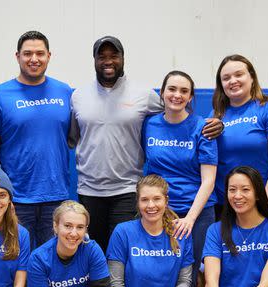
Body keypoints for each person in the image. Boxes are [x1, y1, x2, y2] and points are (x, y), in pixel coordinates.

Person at [69, 36, 223, 252]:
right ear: (93, 60)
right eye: (101, 56)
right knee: (93, 258)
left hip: (127, 190)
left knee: (123, 257)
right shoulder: (77, 96)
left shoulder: (143, 95)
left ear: (123, 58)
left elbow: (174, 111)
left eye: (114, 55)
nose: (108, 61)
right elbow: (72, 138)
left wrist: (217, 125)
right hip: (89, 190)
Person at [0, 30, 72, 250]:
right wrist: (1, 194)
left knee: (52, 263)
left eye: (40, 53)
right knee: (16, 262)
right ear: (17, 56)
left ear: (49, 56)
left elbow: (71, 137)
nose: (34, 59)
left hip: (55, 196)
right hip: (17, 199)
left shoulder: (64, 92)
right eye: (27, 53)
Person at [142, 70, 218, 287]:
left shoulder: (203, 127)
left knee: (191, 271)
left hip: (196, 211)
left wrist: (190, 220)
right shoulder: (149, 124)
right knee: (162, 267)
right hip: (160, 209)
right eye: (172, 89)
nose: (177, 95)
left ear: (191, 96)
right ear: (162, 93)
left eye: (184, 91)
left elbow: (208, 180)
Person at [212, 54, 268, 221]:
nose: (232, 81)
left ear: (252, 77)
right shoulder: (216, 115)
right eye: (226, 78)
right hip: (224, 205)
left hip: (263, 203)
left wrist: (262, 207)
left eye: (238, 74)